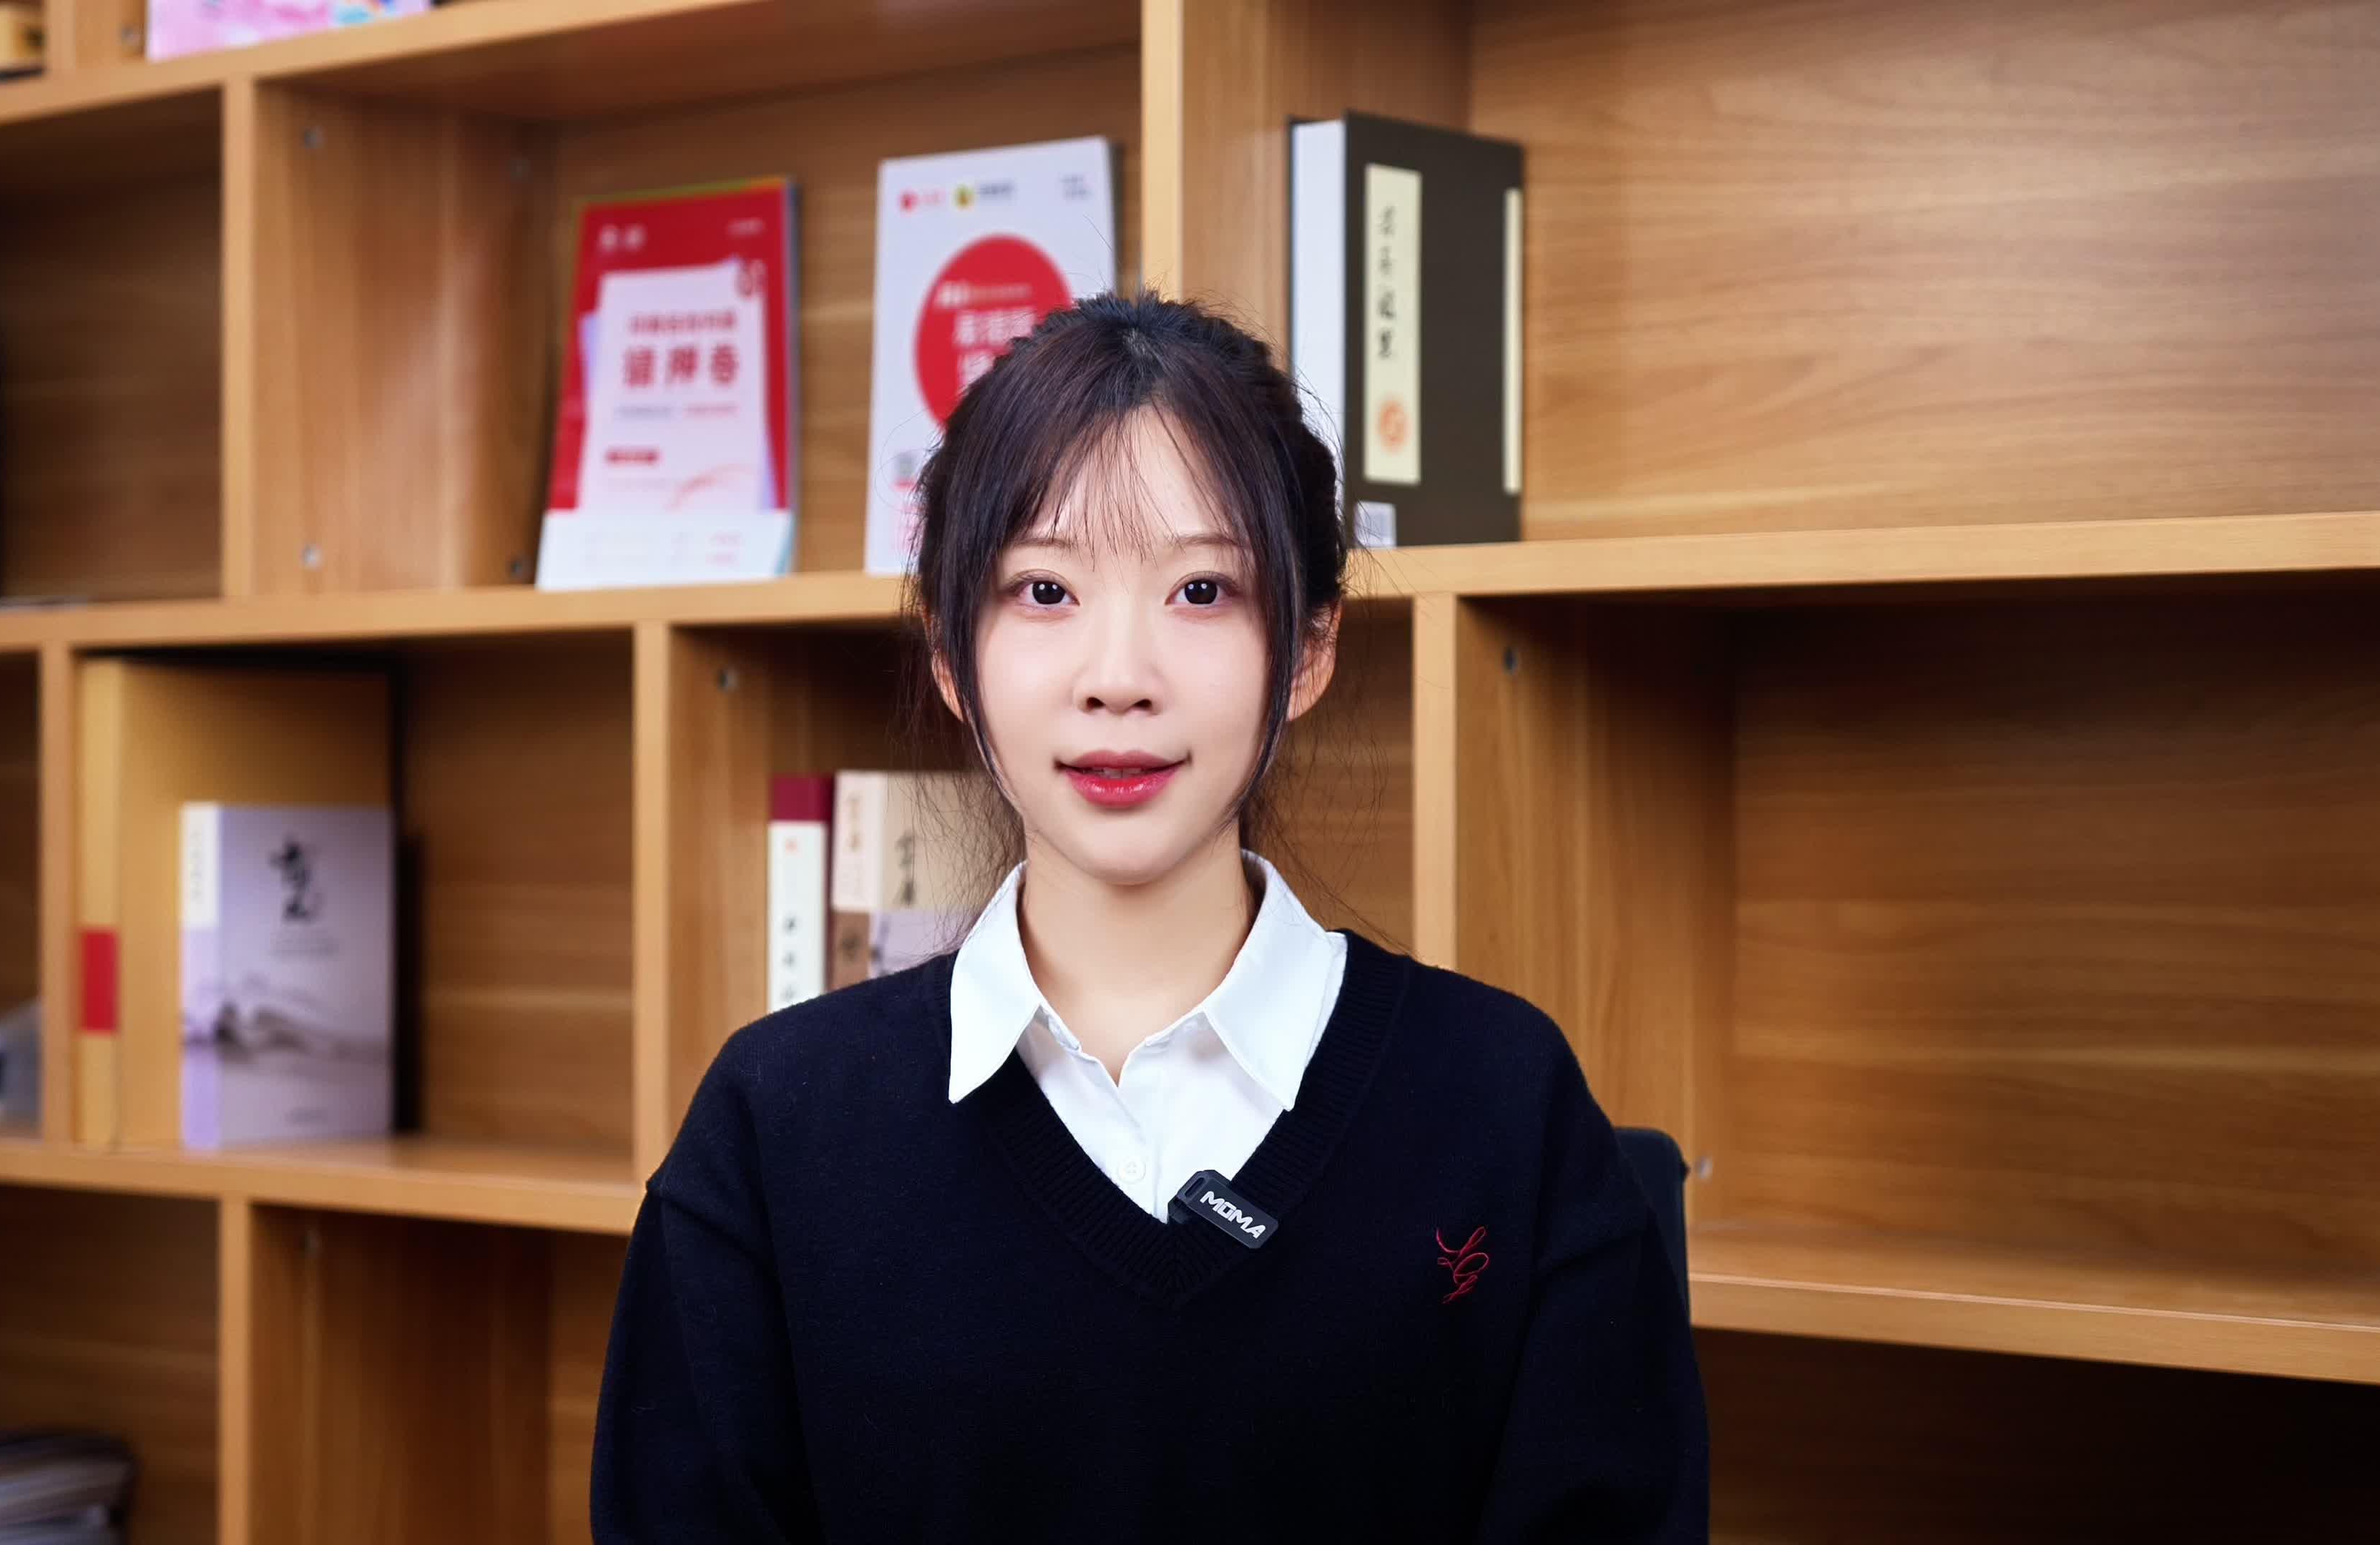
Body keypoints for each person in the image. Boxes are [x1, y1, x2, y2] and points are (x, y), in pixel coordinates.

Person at [589, 291, 1708, 1541]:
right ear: (951, 657)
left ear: (1311, 649)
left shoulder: (1505, 1103)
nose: (1118, 679)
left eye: (1201, 590)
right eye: (1044, 590)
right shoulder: (775, 1130)